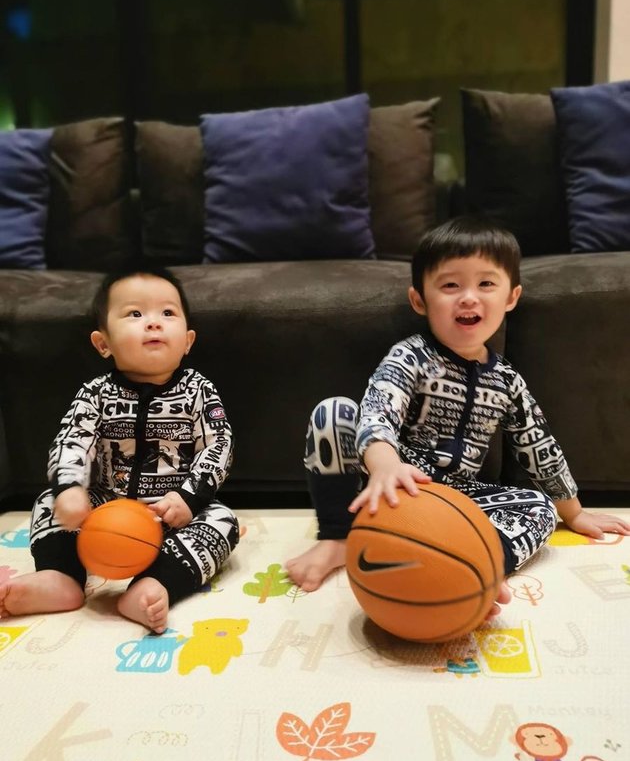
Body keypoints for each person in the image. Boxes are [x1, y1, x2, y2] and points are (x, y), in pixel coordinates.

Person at [286, 216, 630, 611]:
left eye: (486, 284)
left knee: (538, 508)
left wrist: (574, 511)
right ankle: (339, 538)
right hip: (391, 488)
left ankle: (477, 568)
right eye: (451, 285)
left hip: (457, 501)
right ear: (420, 300)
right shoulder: (411, 356)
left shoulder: (506, 381)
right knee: (333, 413)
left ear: (511, 297)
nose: (469, 297)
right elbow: (378, 410)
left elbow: (538, 446)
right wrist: (384, 464)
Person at [0, 266, 240, 633]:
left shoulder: (199, 390)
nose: (154, 323)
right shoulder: (95, 393)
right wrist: (70, 490)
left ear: (188, 341)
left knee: (224, 522)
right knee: (48, 500)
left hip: (173, 516)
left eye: (168, 313)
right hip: (106, 508)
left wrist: (189, 498)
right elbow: (71, 440)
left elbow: (219, 443)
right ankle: (60, 577)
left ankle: (154, 585)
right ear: (103, 344)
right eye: (135, 314)